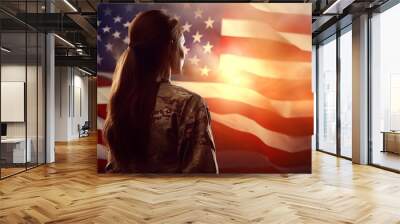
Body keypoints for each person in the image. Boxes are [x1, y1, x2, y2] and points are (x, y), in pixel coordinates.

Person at [103, 10, 219, 173]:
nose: (184, 51)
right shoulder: (189, 104)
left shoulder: (123, 99)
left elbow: (114, 167)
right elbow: (203, 173)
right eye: (183, 43)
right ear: (171, 46)